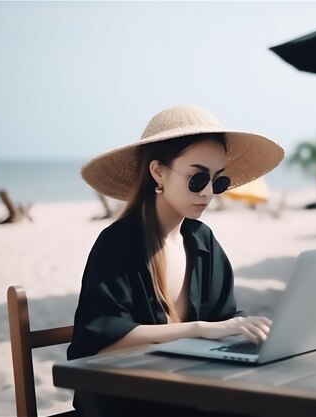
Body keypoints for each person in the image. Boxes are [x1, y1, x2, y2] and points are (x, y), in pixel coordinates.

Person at [67, 105, 284, 416]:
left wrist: (247, 331)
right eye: (197, 179)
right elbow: (99, 343)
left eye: (217, 181)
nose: (208, 193)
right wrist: (199, 329)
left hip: (188, 394)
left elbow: (226, 319)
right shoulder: (117, 244)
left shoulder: (203, 242)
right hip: (124, 401)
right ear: (158, 172)